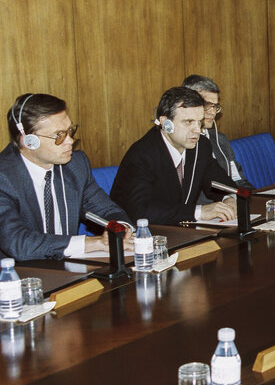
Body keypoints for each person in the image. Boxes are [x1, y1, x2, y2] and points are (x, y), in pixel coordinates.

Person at [0, 94, 133, 261]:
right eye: (59, 135)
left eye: (70, 131)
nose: (70, 141)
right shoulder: (4, 176)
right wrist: (90, 243)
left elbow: (107, 209)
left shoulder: (75, 165)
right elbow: (18, 243)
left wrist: (121, 229)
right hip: (16, 277)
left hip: (68, 271)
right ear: (29, 141)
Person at [111, 87, 238, 225]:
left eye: (199, 122)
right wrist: (199, 212)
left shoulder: (201, 146)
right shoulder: (141, 155)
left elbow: (221, 184)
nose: (197, 130)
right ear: (166, 124)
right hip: (141, 238)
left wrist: (229, 199)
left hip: (181, 233)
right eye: (188, 122)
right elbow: (141, 212)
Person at [182, 75, 255, 202]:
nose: (212, 112)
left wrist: (257, 198)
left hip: (230, 206)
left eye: (215, 106)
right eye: (207, 105)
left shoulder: (220, 140)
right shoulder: (183, 143)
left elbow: (238, 180)